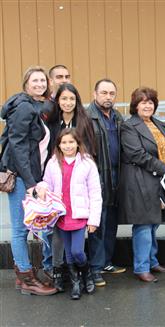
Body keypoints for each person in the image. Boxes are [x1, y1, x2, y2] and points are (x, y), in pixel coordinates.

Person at [0, 66, 57, 295]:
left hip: (33, 176)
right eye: (35, 81)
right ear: (26, 84)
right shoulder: (24, 107)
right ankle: (26, 278)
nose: (39, 84)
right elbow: (18, 147)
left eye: (42, 81)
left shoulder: (38, 106)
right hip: (24, 177)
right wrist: (31, 182)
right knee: (21, 228)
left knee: (28, 226)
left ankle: (23, 274)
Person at [118, 87, 165, 282]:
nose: (147, 105)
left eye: (150, 102)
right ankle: (141, 268)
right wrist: (163, 168)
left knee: (154, 223)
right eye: (143, 102)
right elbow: (135, 154)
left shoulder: (159, 124)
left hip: (159, 179)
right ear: (135, 105)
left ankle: (152, 261)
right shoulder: (129, 126)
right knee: (143, 224)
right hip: (139, 180)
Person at [42, 83, 96, 291]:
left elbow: (90, 148)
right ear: (58, 101)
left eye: (71, 99)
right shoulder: (52, 121)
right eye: (63, 99)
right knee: (56, 235)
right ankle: (58, 271)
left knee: (76, 240)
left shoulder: (85, 120)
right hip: (55, 176)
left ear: (77, 100)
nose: (67, 103)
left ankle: (80, 271)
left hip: (79, 178)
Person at [39, 128, 102, 300]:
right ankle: (76, 282)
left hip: (79, 215)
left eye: (71, 142)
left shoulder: (87, 163)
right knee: (68, 253)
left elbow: (95, 192)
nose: (68, 146)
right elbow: (47, 183)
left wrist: (93, 219)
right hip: (61, 216)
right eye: (64, 142)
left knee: (77, 252)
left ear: (78, 143)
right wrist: (42, 188)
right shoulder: (53, 163)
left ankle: (86, 272)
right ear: (58, 145)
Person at [87, 79, 125, 286]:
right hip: (97, 178)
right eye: (104, 93)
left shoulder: (118, 117)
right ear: (95, 94)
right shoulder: (87, 117)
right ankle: (95, 267)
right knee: (97, 225)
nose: (108, 97)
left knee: (111, 223)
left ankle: (107, 262)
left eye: (111, 93)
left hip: (116, 177)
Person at [39, 64, 71, 281]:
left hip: (68, 172)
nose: (63, 79)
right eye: (59, 76)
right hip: (46, 171)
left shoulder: (71, 104)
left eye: (67, 76)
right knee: (49, 222)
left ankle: (64, 266)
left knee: (66, 221)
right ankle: (50, 266)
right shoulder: (45, 107)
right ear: (50, 81)